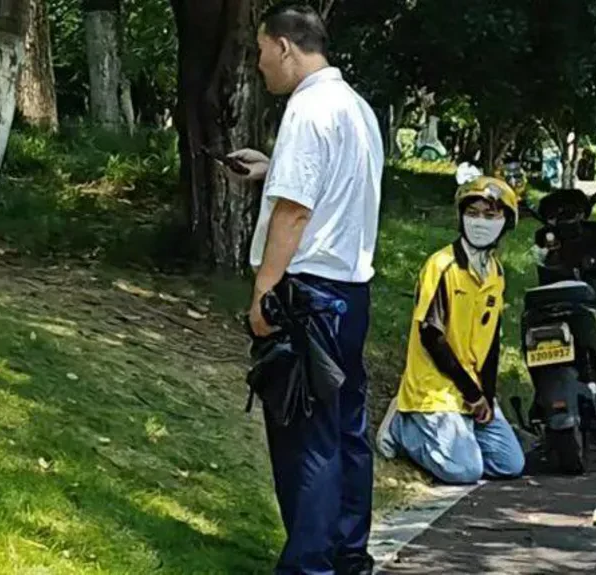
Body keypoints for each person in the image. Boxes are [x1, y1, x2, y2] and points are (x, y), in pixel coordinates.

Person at [219, 3, 384, 574]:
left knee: (304, 437)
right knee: (346, 430)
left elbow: (294, 211)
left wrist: (264, 292)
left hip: (308, 294)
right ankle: (348, 554)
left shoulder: (308, 109)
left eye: (262, 49)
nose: (260, 63)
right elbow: (336, 182)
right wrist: (273, 167)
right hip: (351, 291)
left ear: (285, 46)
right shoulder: (356, 108)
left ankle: (309, 565)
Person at [375, 175, 525, 485]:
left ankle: (461, 435)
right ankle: (402, 425)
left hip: (470, 390)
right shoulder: (442, 266)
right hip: (435, 389)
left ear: (505, 222)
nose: (480, 222)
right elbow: (432, 336)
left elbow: (491, 342)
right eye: (473, 213)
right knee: (466, 471)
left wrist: (487, 395)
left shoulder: (495, 272)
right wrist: (472, 393)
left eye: (490, 214)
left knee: (510, 463)